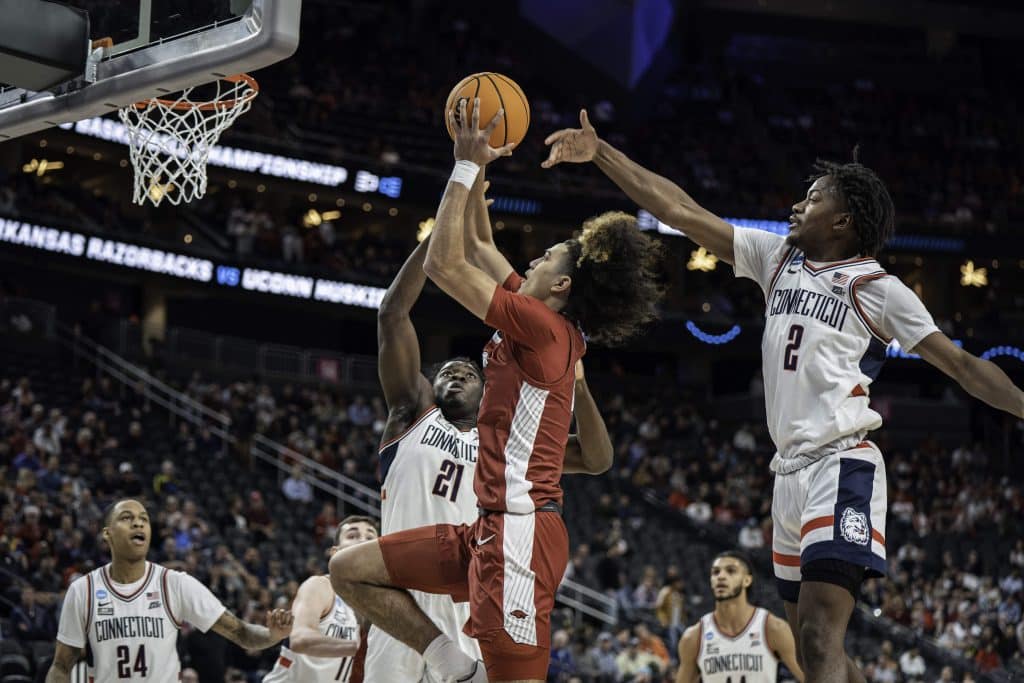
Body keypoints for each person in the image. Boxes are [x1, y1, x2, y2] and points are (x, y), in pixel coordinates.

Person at [542, 110, 1024, 683]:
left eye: (812, 199)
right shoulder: (777, 260)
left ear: (842, 220)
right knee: (813, 651)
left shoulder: (879, 289)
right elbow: (681, 212)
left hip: (842, 464)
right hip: (787, 474)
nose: (796, 206)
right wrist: (601, 152)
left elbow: (964, 366)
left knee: (819, 640)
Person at [330, 100, 662, 683]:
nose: (530, 259)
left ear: (561, 285)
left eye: (545, 257)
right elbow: (480, 244)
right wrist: (481, 161)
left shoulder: (543, 328)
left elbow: (445, 263)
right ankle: (454, 665)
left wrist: (462, 168)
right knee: (349, 569)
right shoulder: (538, 315)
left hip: (521, 536)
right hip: (484, 529)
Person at [365, 197, 488, 682]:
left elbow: (596, 459)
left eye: (468, 374)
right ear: (429, 385)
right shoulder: (412, 414)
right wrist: (442, 229)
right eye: (447, 371)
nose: (456, 375)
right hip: (400, 597)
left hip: (464, 606)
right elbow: (392, 314)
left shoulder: (498, 442)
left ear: (485, 393)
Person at [46, 499, 293, 682]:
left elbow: (240, 631)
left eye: (144, 519)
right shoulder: (83, 591)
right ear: (107, 534)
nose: (138, 523)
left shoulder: (174, 584)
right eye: (127, 518)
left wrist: (272, 635)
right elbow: (61, 667)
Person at [263, 516, 379, 683]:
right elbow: (300, 639)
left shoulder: (375, 605)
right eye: (352, 536)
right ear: (335, 553)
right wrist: (357, 647)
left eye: (369, 537)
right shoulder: (320, 586)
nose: (362, 540)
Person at [675, 551, 803, 683]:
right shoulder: (694, 637)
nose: (721, 576)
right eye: (716, 572)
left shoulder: (772, 628)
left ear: (747, 580)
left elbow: (810, 677)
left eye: (731, 571)